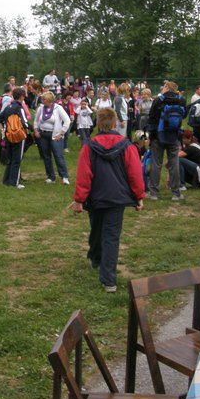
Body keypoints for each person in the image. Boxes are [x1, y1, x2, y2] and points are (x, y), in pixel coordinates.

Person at [71, 108, 144, 293]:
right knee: (108, 236)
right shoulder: (126, 146)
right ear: (114, 123)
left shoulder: (90, 146)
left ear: (97, 123)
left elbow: (83, 175)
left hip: (97, 198)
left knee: (99, 230)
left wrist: (80, 199)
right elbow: (135, 173)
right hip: (115, 198)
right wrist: (139, 196)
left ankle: (105, 274)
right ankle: (104, 273)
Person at [145, 81, 186, 201]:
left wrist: (149, 136)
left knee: (156, 164)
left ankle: (153, 193)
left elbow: (151, 118)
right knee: (174, 164)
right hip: (174, 135)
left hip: (158, 136)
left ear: (167, 88)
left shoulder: (158, 100)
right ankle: (176, 193)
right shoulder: (181, 100)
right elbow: (183, 116)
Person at [0, 87, 30, 189]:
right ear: (22, 96)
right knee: (17, 159)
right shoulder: (19, 108)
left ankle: (6, 181)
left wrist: (3, 130)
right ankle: (15, 182)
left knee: (10, 159)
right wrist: (30, 130)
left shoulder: (8, 107)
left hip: (8, 136)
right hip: (18, 136)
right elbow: (25, 123)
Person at [33, 91, 71, 184]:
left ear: (49, 100)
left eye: (43, 99)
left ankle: (64, 176)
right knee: (46, 156)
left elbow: (67, 121)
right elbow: (36, 121)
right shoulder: (41, 108)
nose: (42, 101)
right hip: (43, 135)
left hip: (55, 136)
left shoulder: (58, 108)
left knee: (58, 156)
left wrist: (61, 134)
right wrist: (36, 130)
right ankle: (51, 177)